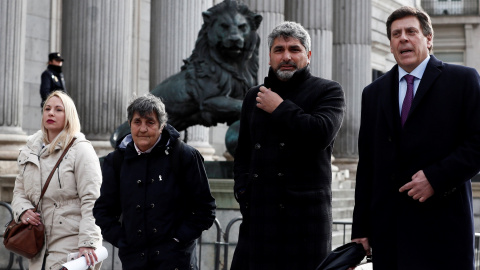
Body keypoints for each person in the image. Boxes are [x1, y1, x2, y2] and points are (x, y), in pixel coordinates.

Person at [351, 6, 480, 270]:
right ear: (390, 45)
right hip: (390, 236)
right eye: (396, 34)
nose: (403, 38)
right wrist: (360, 227)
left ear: (429, 38)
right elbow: (367, 166)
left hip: (444, 231)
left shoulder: (463, 80)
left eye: (411, 31)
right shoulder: (372, 93)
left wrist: (436, 178)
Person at [231, 21, 346, 270]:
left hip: (305, 223)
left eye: (294, 49)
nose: (286, 56)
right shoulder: (254, 95)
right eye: (279, 49)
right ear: (269, 56)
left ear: (308, 55)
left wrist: (279, 107)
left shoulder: (328, 91)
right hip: (259, 219)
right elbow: (243, 154)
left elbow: (320, 133)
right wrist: (243, 193)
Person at [93, 94, 216, 270]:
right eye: (137, 122)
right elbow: (103, 210)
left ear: (161, 126)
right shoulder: (115, 161)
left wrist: (178, 239)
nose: (143, 129)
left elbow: (205, 209)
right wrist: (123, 240)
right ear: (130, 124)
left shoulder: (185, 156)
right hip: (134, 262)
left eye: (150, 122)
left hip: (176, 262)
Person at [11, 91, 103, 270]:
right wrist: (23, 211)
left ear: (69, 115)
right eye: (47, 108)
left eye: (58, 109)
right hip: (38, 245)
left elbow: (92, 200)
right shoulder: (30, 150)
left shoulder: (81, 150)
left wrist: (87, 242)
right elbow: (19, 192)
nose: (51, 113)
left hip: (72, 243)